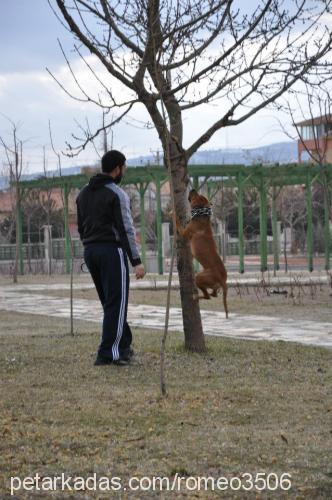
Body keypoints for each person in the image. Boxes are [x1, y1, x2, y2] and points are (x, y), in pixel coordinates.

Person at [76, 150, 145, 366]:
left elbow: (80, 227)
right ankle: (108, 353)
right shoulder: (117, 194)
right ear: (117, 169)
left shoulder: (83, 194)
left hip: (90, 251)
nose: (124, 171)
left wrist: (90, 245)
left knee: (110, 302)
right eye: (124, 168)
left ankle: (123, 344)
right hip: (111, 252)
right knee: (116, 302)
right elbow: (126, 229)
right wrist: (137, 261)